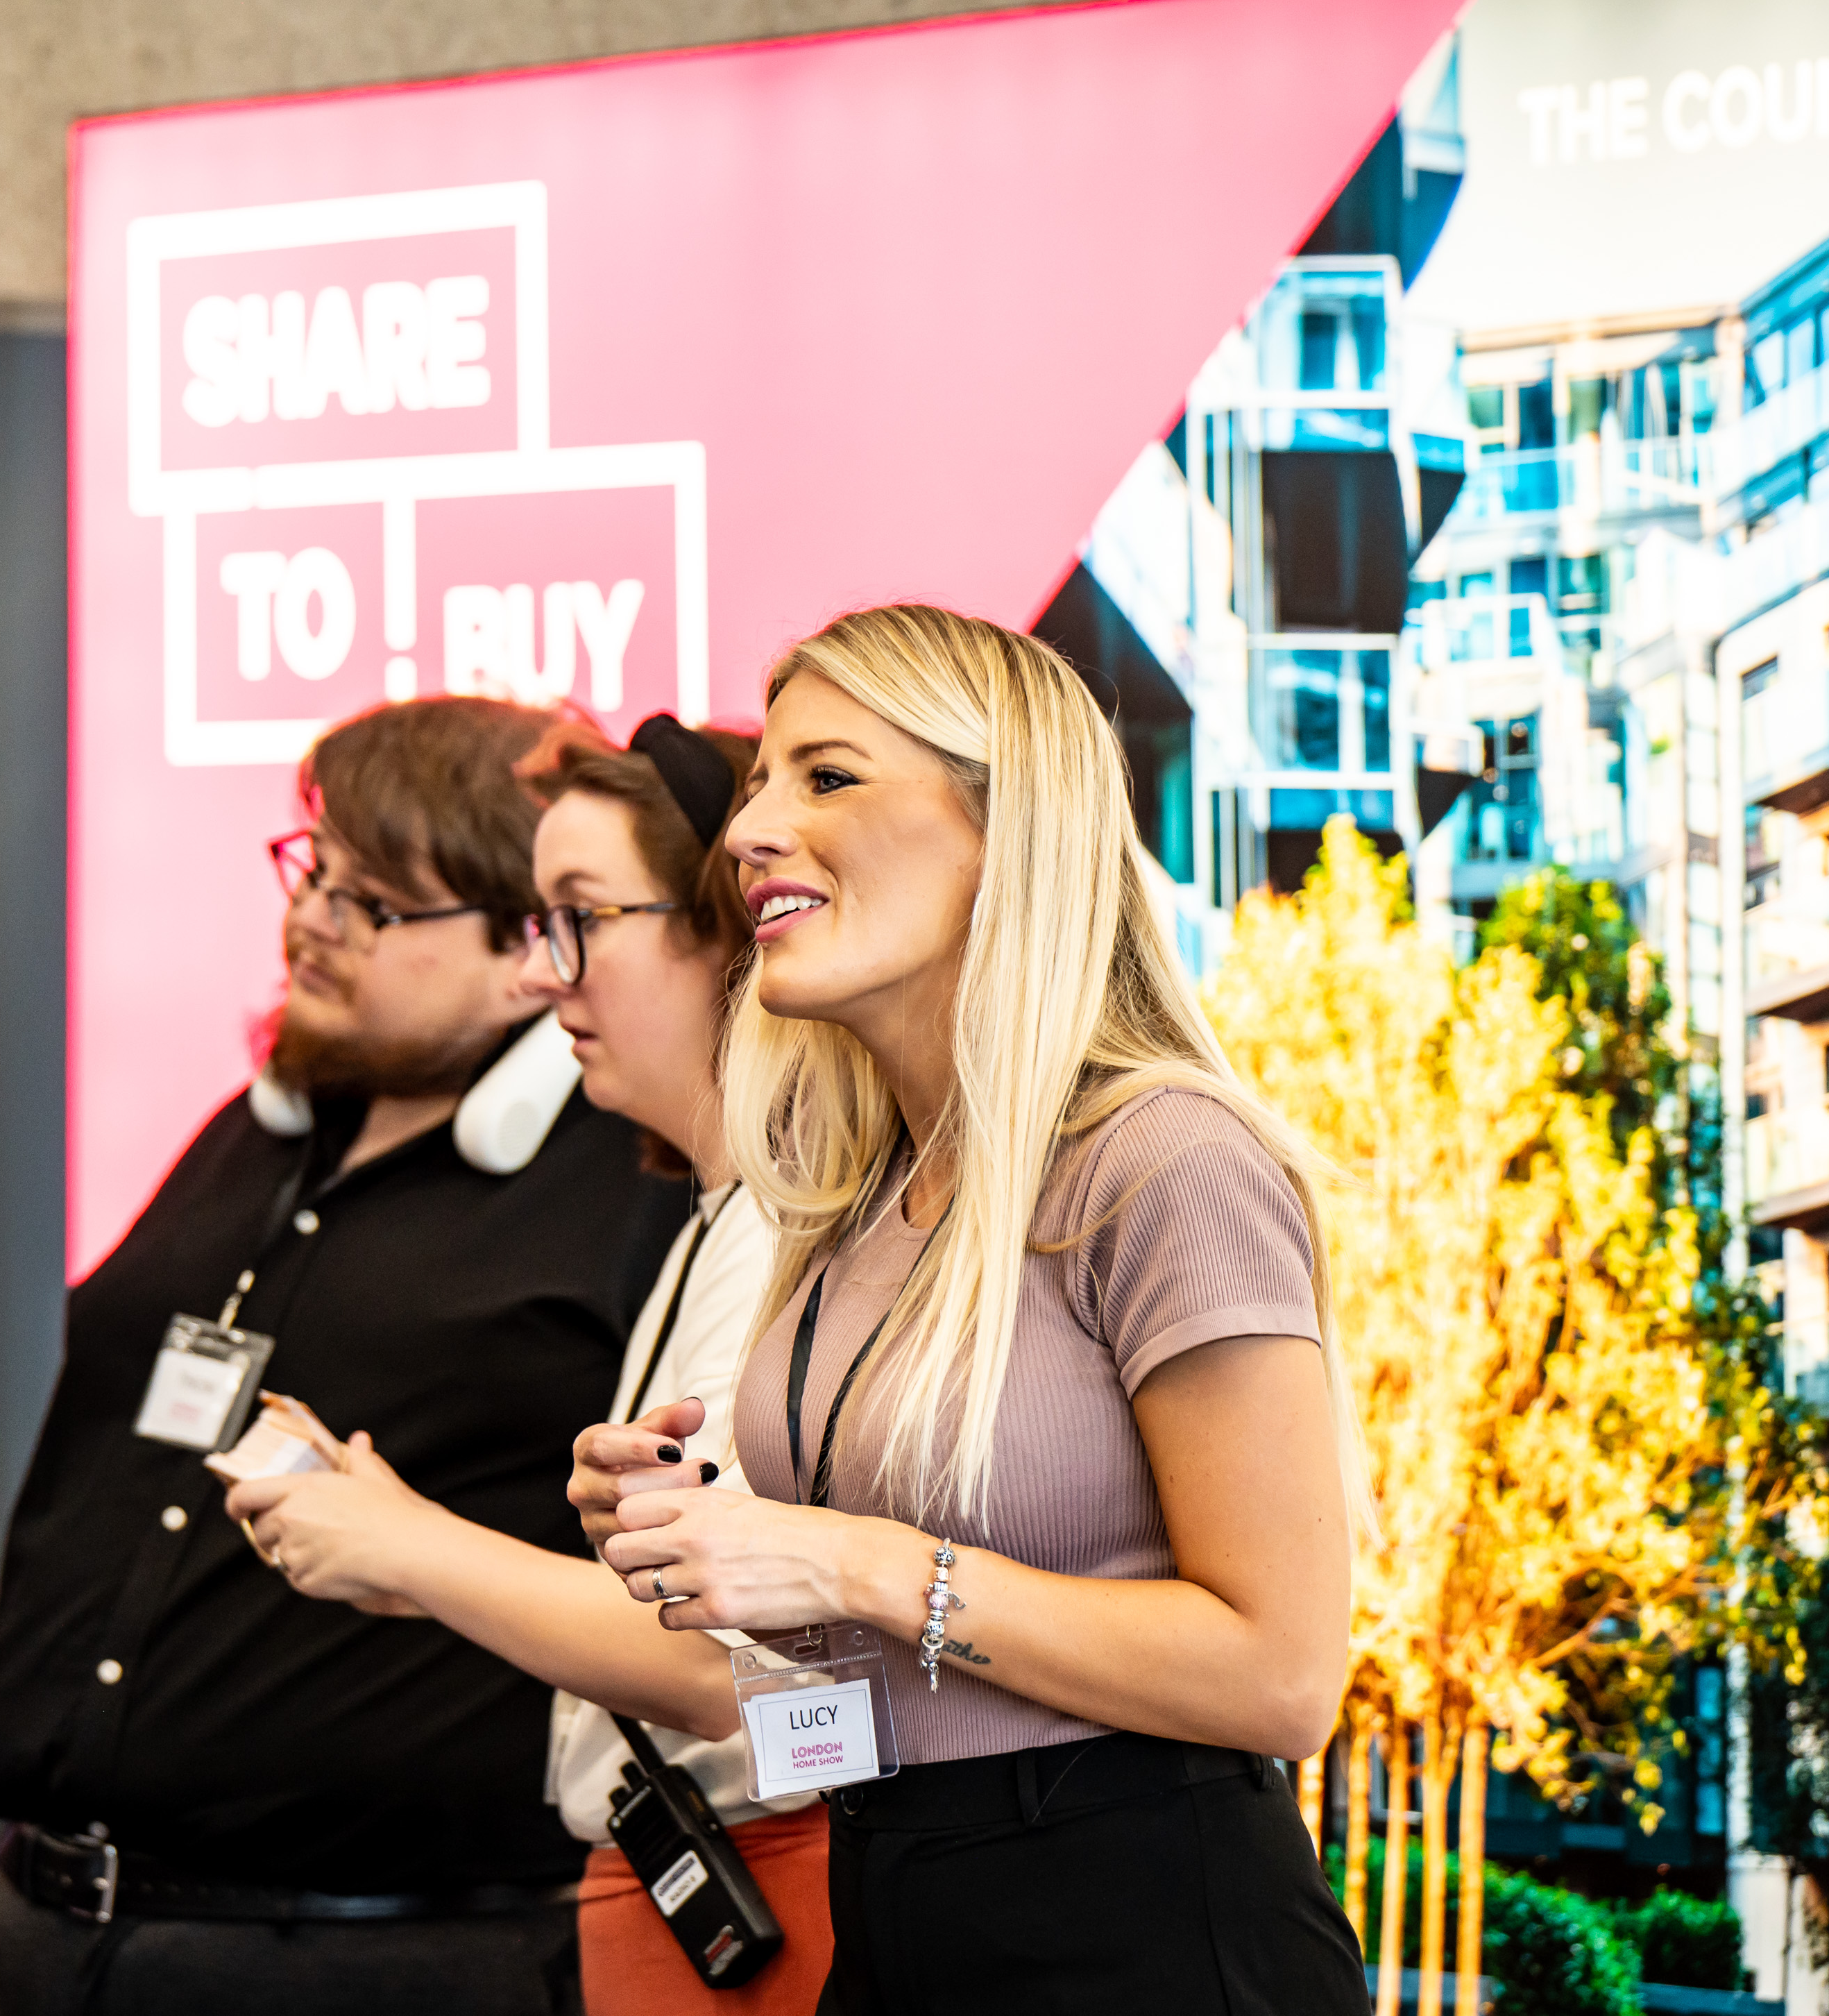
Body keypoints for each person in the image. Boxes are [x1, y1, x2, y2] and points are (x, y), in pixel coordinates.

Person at [586, 604, 1370, 2015]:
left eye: (827, 777)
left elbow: (1283, 1676)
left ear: (1007, 829)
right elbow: (897, 1658)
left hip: (1149, 1938)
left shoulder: (1163, 1159)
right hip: (894, 1902)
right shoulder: (858, 1197)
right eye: (760, 785)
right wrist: (696, 1543)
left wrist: (854, 1565)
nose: (751, 830)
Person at [0, 695, 686, 2016]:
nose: (311, 920)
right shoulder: (253, 1137)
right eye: (314, 872)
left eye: (374, 902)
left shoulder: (636, 1182)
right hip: (64, 1932)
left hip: (393, 1959)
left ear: (528, 944)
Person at [228, 710, 840, 2015]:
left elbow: (716, 1663)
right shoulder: (720, 1219)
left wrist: (412, 1547)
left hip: (768, 1880)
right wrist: (405, 1546)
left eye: (579, 920)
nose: (546, 977)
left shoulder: (790, 1227)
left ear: (730, 932)